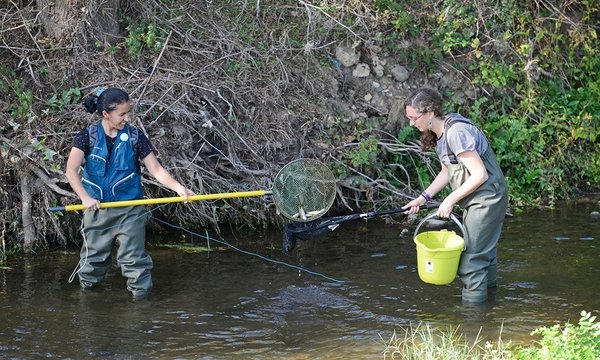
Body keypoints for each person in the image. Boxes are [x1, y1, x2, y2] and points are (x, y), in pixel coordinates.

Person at [65, 87, 193, 299]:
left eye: (128, 113)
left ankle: (141, 306)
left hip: (130, 211)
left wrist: (178, 187)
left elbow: (156, 169)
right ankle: (87, 302)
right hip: (97, 210)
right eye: (122, 114)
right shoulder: (86, 137)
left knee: (134, 261)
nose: (127, 118)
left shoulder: (135, 137)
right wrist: (85, 198)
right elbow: (71, 170)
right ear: (106, 114)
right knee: (92, 262)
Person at [401, 87, 508, 303]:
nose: (412, 124)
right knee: (485, 255)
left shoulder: (456, 132)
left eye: (414, 118)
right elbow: (446, 171)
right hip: (479, 199)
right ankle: (493, 308)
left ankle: (473, 324)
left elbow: (480, 175)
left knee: (471, 263)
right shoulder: (440, 133)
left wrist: (450, 200)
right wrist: (423, 198)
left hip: (487, 198)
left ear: (430, 113)